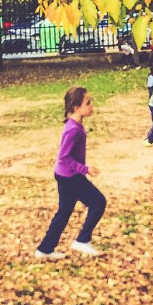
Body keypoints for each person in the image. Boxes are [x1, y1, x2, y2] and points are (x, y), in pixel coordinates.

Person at [36, 86, 106, 259]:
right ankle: (82, 240)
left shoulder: (75, 125)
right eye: (88, 103)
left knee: (64, 211)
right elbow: (64, 157)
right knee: (98, 202)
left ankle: (44, 249)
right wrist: (85, 169)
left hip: (66, 175)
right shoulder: (73, 129)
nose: (92, 106)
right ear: (76, 108)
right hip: (70, 177)